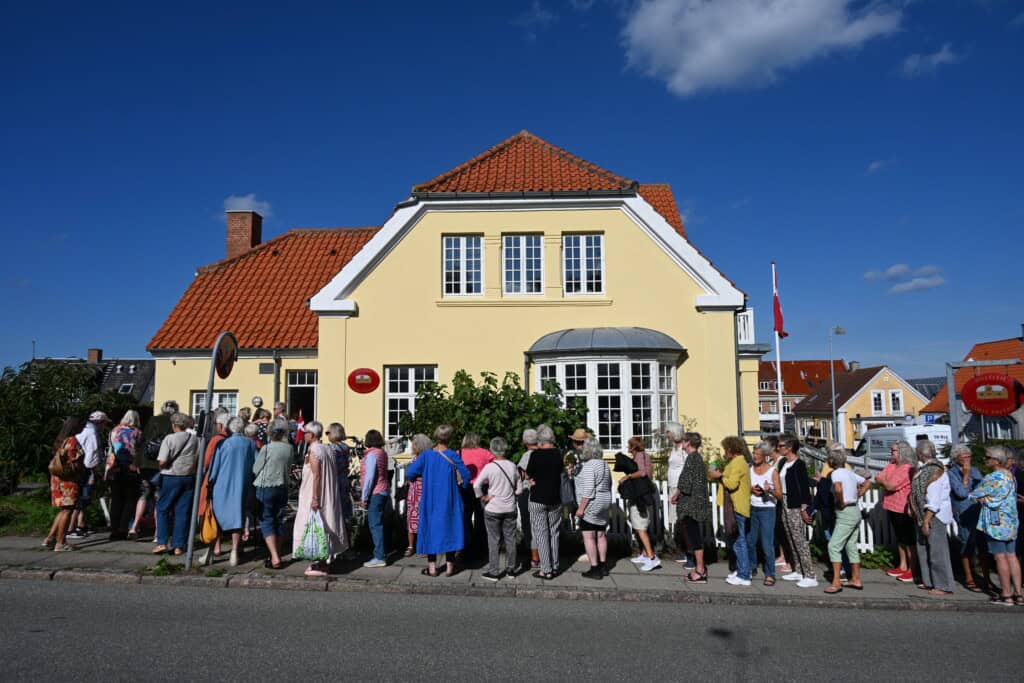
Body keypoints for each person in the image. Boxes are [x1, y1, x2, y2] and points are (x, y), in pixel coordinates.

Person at [405, 425, 471, 577]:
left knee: (430, 530)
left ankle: (433, 568)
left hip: (431, 498)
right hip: (450, 498)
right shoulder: (453, 455)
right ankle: (449, 567)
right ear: (450, 438)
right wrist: (461, 486)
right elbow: (466, 475)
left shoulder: (427, 455)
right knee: (450, 529)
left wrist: (421, 477)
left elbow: (410, 472)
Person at [291, 421, 348, 577]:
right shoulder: (327, 449)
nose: (304, 435)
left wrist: (315, 498)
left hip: (315, 494)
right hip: (327, 494)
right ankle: (322, 562)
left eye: (306, 433)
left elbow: (317, 476)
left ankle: (319, 563)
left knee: (313, 528)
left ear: (312, 434)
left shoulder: (315, 450)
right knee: (323, 527)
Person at [969, 445, 1021, 606]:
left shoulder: (992, 478)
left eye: (987, 457)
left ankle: (1006, 594)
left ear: (996, 460)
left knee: (1000, 557)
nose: (985, 460)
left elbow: (974, 494)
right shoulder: (1010, 476)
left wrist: (981, 498)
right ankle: (1018, 594)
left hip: (995, 522)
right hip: (1011, 521)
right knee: (1011, 556)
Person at [206, 416, 255, 565]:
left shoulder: (224, 443)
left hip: (222, 484)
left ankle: (212, 551)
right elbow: (256, 464)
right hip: (242, 485)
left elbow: (214, 468)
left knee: (216, 518)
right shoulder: (250, 443)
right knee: (237, 518)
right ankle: (234, 551)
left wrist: (210, 481)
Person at [909, 440, 954, 596]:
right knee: (924, 549)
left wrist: (927, 520)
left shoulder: (935, 471)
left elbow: (934, 499)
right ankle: (929, 581)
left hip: (934, 515)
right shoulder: (924, 469)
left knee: (937, 551)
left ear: (921, 454)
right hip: (923, 515)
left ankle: (943, 585)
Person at [474, 437, 523, 581]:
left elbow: (476, 485)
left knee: (493, 540)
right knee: (510, 539)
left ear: (492, 450)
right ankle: (511, 570)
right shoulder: (512, 466)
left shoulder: (490, 467)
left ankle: (494, 571)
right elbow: (519, 489)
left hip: (494, 508)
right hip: (509, 507)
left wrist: (483, 497)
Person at [824, 449, 869, 594]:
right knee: (851, 545)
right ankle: (856, 578)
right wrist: (858, 494)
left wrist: (841, 501)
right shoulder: (850, 472)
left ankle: (836, 581)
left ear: (831, 461)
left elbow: (837, 488)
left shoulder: (836, 473)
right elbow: (867, 482)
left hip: (845, 512)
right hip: (855, 510)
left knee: (834, 546)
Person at [153, 413, 198, 556]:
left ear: (174, 425)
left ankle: (162, 542)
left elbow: (162, 461)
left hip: (171, 476)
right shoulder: (194, 439)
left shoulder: (169, 438)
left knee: (163, 509)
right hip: (188, 476)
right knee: (182, 512)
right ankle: (179, 545)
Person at [252, 418, 294, 569]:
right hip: (282, 486)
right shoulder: (289, 448)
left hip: (266, 486)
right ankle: (277, 552)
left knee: (267, 519)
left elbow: (256, 469)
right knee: (280, 519)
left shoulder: (267, 448)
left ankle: (275, 557)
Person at [710, 437, 753, 587]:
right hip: (736, 504)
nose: (724, 452)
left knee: (739, 541)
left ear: (730, 450)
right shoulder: (738, 462)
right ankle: (741, 570)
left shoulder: (738, 463)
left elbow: (732, 483)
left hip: (738, 506)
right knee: (737, 539)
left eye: (725, 449)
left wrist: (719, 476)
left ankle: (744, 574)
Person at [133, 400, 178, 541]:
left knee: (144, 494)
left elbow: (143, 441)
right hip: (160, 464)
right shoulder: (172, 424)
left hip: (146, 462)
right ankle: (157, 533)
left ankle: (134, 526)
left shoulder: (152, 419)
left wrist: (137, 463)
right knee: (159, 498)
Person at [777, 436, 818, 588]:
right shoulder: (783, 463)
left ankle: (810, 575)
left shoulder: (799, 464)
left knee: (799, 539)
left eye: (781, 446)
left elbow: (803, 487)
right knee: (790, 536)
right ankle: (799, 570)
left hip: (795, 504)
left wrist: (804, 507)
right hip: (785, 502)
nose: (779, 448)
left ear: (789, 448)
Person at [525, 424, 564, 580]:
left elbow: (528, 474)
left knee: (541, 534)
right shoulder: (558, 454)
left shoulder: (535, 455)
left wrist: (531, 480)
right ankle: (554, 566)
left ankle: (545, 569)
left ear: (540, 440)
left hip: (538, 498)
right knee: (554, 533)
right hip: (554, 498)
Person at [671, 432, 711, 583]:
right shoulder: (696, 458)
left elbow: (686, 483)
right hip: (695, 503)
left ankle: (700, 570)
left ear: (688, 443)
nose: (682, 443)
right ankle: (699, 568)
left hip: (691, 504)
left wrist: (677, 493)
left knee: (695, 537)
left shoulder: (692, 459)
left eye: (684, 441)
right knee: (695, 535)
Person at [876, 440, 917, 583]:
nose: (891, 452)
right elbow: (878, 477)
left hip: (903, 508)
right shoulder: (891, 465)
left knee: (909, 539)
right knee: (900, 538)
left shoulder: (907, 468)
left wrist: (885, 481)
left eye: (893, 450)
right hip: (892, 506)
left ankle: (913, 569)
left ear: (902, 452)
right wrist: (885, 480)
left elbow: (891, 485)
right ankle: (903, 565)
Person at [948, 443, 987, 591]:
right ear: (956, 458)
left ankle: (985, 577)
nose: (967, 459)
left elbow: (983, 488)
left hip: (978, 510)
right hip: (964, 513)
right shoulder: (952, 473)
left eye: (969, 456)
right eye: (964, 457)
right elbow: (961, 493)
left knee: (983, 546)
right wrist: (965, 475)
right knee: (967, 544)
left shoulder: (976, 471)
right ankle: (969, 576)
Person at [44, 417, 86, 552]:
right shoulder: (72, 441)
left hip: (57, 478)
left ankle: (50, 538)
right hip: (68, 480)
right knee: (68, 510)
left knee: (63, 509)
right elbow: (75, 460)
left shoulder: (60, 440)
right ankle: (61, 543)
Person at [617, 436, 659, 571]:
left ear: (634, 447)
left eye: (629, 445)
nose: (628, 447)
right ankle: (645, 554)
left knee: (640, 527)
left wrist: (627, 476)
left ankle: (652, 558)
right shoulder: (644, 455)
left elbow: (642, 473)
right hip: (642, 495)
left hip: (640, 497)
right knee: (639, 525)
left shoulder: (640, 456)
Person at [67, 411, 111, 539]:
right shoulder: (92, 433)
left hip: (80, 468)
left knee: (82, 498)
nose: (104, 427)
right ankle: (71, 528)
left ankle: (80, 524)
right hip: (87, 469)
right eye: (104, 423)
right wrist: (94, 470)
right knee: (83, 498)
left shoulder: (84, 430)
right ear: (100, 422)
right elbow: (91, 455)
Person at [574, 437, 613, 580]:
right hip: (604, 500)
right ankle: (603, 566)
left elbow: (589, 490)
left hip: (592, 503)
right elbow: (609, 484)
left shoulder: (589, 465)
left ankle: (595, 568)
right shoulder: (604, 464)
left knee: (588, 536)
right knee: (601, 535)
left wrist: (581, 508)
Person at [749, 441, 782, 586]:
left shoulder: (772, 471)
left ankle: (770, 573)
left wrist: (769, 490)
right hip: (753, 508)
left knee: (766, 543)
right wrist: (751, 490)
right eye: (753, 453)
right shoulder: (750, 469)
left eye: (757, 454)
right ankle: (751, 566)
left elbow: (780, 496)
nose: (755, 456)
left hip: (767, 509)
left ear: (764, 455)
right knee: (750, 541)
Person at [197, 409, 230, 559]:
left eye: (217, 424)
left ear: (221, 426)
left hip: (213, 480)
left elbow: (206, 461)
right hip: (228, 480)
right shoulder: (234, 439)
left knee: (212, 512)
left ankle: (215, 545)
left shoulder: (216, 440)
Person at [106, 410, 142, 540]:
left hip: (114, 467)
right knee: (129, 500)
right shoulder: (137, 432)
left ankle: (114, 529)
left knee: (116, 499)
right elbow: (138, 449)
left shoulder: (114, 430)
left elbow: (110, 447)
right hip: (130, 468)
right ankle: (123, 528)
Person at [459, 432, 494, 561]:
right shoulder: (485, 453)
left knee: (465, 518)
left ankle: (466, 547)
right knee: (481, 518)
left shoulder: (459, 452)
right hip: (482, 487)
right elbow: (494, 464)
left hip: (466, 487)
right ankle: (481, 548)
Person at [359, 429, 390, 568]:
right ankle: (380, 553)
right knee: (379, 524)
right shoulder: (382, 453)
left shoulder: (371, 455)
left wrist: (364, 497)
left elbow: (370, 477)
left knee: (375, 525)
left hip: (376, 492)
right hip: (383, 490)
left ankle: (379, 556)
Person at [663, 423, 689, 565]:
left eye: (668, 433)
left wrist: (680, 490)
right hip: (673, 486)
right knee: (678, 520)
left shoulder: (683, 449)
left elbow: (686, 469)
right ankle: (683, 550)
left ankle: (687, 551)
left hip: (680, 488)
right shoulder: (675, 448)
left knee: (683, 520)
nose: (667, 435)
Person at [404, 434, 431, 557]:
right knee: (411, 518)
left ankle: (424, 546)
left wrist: (418, 477)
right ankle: (411, 546)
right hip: (413, 492)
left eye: (414, 444)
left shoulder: (428, 459)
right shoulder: (415, 459)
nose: (412, 446)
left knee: (423, 519)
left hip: (423, 492)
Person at [517, 428, 540, 569]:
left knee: (530, 527)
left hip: (529, 493)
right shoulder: (545, 453)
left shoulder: (527, 456)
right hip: (543, 493)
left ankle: (535, 558)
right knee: (541, 526)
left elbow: (522, 476)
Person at [327, 423, 353, 523]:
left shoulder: (332, 448)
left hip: (335, 480)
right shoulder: (345, 447)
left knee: (335, 509)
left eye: (328, 432)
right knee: (344, 509)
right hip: (344, 479)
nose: (327, 435)